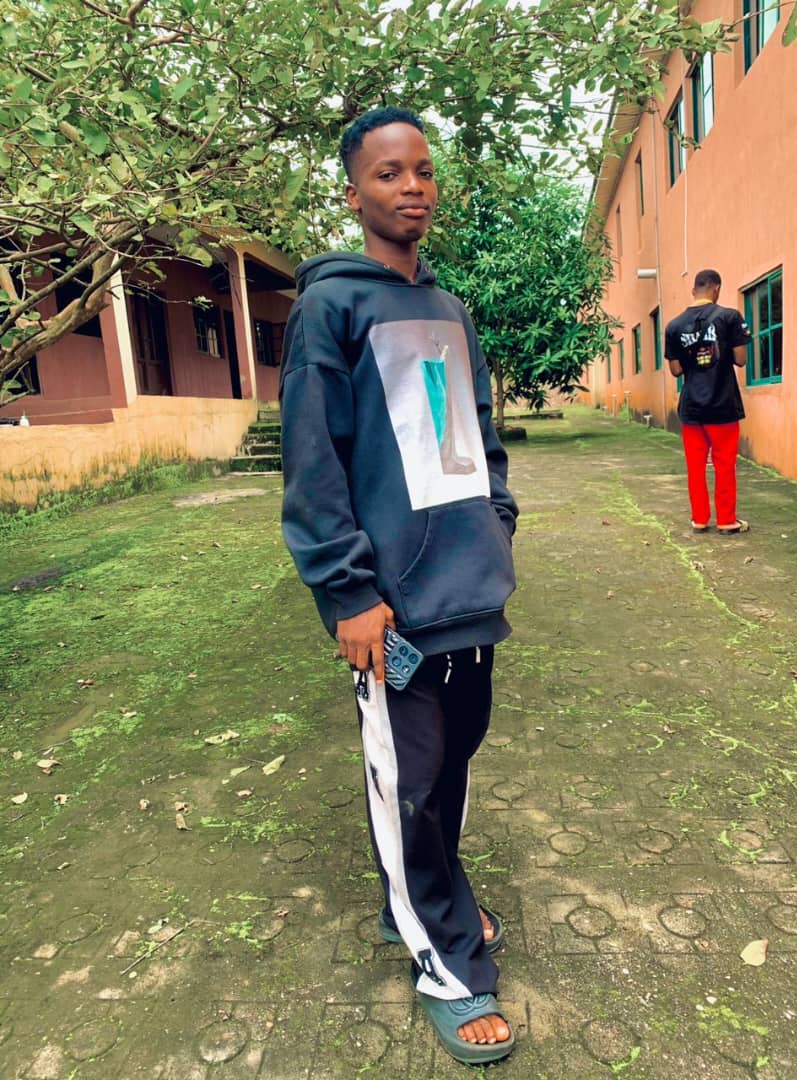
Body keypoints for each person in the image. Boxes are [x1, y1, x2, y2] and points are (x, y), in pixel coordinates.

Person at [279, 107, 518, 1065]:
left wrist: (497, 521)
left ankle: (420, 898)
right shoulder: (330, 308)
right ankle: (447, 967)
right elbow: (313, 465)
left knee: (450, 768)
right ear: (354, 194)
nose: (411, 186)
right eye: (388, 173)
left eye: (421, 169)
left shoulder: (450, 309)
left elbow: (480, 433)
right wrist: (347, 592)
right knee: (408, 783)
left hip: (471, 594)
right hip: (390, 609)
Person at [665, 269, 752, 534]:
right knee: (724, 465)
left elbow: (676, 370)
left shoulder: (673, 326)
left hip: (691, 406)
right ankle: (726, 521)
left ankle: (700, 519)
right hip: (722, 404)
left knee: (695, 466)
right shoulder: (730, 317)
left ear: (694, 291)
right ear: (717, 289)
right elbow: (741, 359)